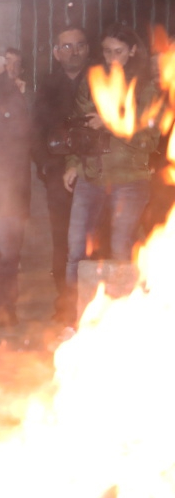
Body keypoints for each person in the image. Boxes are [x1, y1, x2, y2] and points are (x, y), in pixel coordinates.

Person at [63, 24, 158, 305]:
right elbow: (77, 127)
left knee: (120, 251)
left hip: (130, 179)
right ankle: (74, 316)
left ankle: (121, 316)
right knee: (76, 251)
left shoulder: (146, 87)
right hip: (91, 175)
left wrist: (110, 123)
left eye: (119, 51)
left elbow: (148, 139)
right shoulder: (92, 81)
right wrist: (71, 163)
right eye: (107, 51)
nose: (112, 58)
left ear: (132, 51)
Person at [32, 26, 90, 320]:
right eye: (66, 47)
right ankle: (66, 300)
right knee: (63, 237)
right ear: (56, 52)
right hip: (57, 175)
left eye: (79, 45)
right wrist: (45, 167)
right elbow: (35, 131)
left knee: (93, 237)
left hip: (95, 173)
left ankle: (92, 301)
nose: (73, 52)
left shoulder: (98, 81)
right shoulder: (47, 85)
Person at [0, 53, 34, 326]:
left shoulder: (11, 93)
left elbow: (14, 141)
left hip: (7, 187)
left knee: (6, 251)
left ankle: (3, 309)